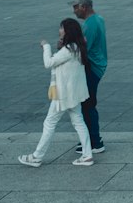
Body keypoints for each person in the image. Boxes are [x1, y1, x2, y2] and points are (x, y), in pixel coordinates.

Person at [19, 18, 94, 167]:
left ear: (67, 31)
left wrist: (46, 46)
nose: (59, 30)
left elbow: (49, 63)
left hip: (63, 94)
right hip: (73, 93)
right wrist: (60, 47)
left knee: (50, 123)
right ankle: (87, 155)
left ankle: (37, 156)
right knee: (79, 122)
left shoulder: (69, 49)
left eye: (61, 28)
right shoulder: (77, 47)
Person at [73, 0, 108, 154]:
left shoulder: (90, 24)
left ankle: (94, 141)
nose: (74, 11)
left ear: (84, 7)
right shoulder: (97, 19)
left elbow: (83, 48)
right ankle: (91, 140)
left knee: (87, 104)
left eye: (76, 7)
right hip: (97, 66)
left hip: (92, 67)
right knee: (88, 104)